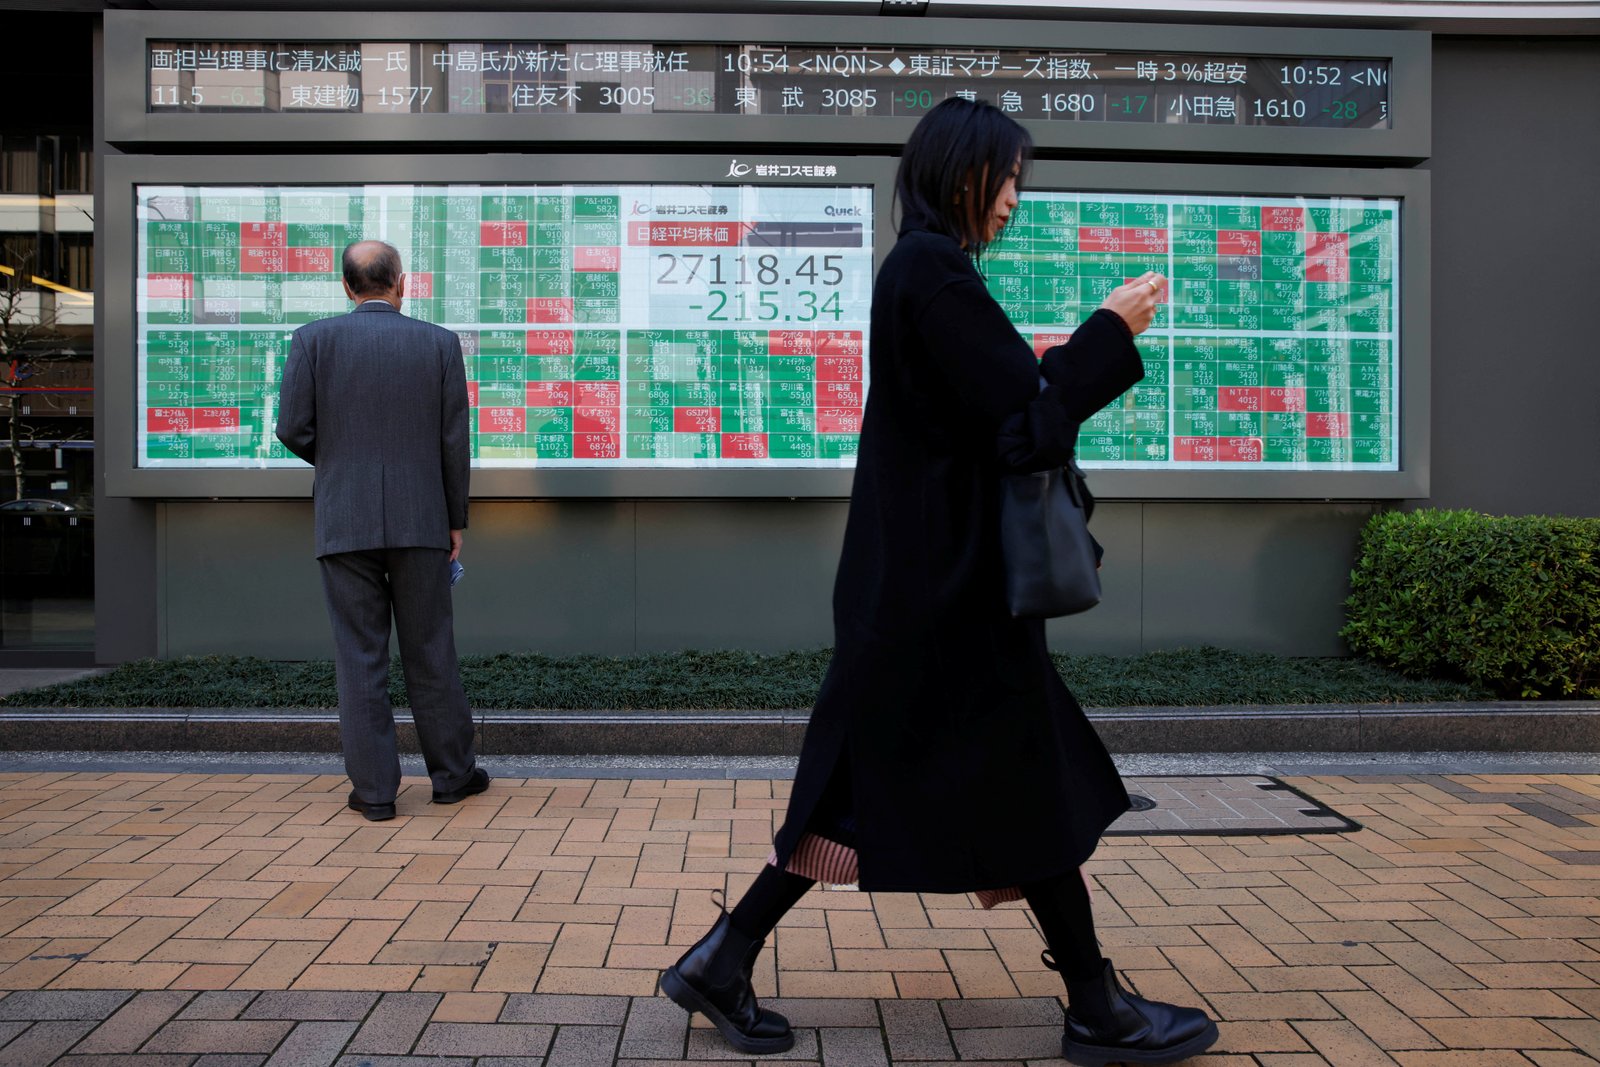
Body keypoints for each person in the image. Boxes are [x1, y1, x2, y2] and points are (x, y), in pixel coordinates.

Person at [659, 99, 1218, 1066]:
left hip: (924, 596)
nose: (1012, 201)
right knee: (1017, 787)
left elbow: (997, 413)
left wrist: (1066, 360)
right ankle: (1098, 1011)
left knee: (908, 791)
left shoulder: (922, 270)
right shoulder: (931, 269)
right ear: (962, 174)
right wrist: (1109, 330)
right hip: (946, 605)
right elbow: (1028, 424)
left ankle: (723, 959)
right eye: (1006, 180)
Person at [275, 240, 488, 823]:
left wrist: (340, 461)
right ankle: (452, 777)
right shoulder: (439, 343)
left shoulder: (313, 340)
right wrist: (453, 520)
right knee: (430, 649)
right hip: (423, 519)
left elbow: (291, 428)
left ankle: (374, 793)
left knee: (359, 654)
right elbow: (453, 442)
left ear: (348, 287)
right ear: (402, 282)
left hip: (344, 519)